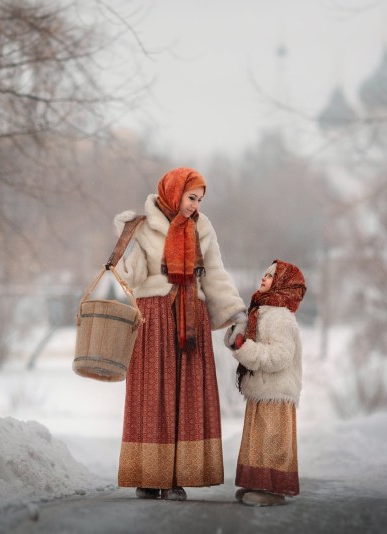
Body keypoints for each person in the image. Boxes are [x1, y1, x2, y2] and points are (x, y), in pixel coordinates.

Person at [112, 167, 247, 501]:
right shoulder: (142, 225)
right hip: (153, 319)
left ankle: (175, 478)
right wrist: (125, 238)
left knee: (184, 397)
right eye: (191, 197)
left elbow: (214, 273)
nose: (194, 205)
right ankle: (148, 475)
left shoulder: (203, 226)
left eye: (199, 199)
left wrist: (236, 312)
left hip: (190, 319)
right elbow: (132, 277)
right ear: (173, 192)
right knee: (153, 395)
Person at [225, 259, 306, 506]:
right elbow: (249, 343)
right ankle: (257, 483)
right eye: (265, 274)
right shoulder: (261, 312)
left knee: (272, 440)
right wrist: (236, 338)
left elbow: (280, 356)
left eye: (271, 276)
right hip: (262, 388)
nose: (264, 278)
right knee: (258, 439)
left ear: (282, 286)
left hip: (276, 390)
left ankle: (272, 490)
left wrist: (246, 350)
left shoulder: (280, 319)